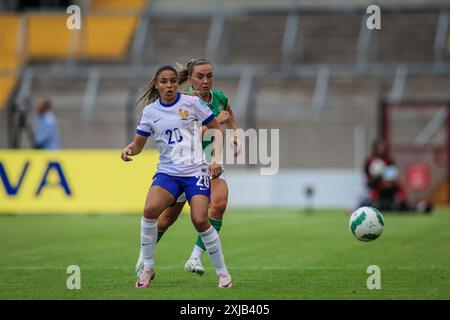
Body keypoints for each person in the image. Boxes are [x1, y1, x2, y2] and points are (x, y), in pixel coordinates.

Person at [121, 65, 232, 288]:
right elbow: (139, 145)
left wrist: (215, 159)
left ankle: (223, 273)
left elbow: (216, 128)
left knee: (200, 219)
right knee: (150, 211)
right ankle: (147, 268)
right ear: (157, 84)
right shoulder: (151, 112)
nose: (169, 85)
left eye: (173, 81)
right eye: (164, 81)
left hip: (194, 171)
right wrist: (128, 150)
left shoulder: (192, 103)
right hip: (168, 173)